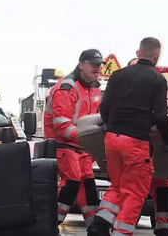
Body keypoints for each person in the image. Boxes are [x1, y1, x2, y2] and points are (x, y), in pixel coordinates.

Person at [87, 37, 168, 236]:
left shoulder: (117, 75)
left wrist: (113, 126)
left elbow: (104, 107)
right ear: (157, 56)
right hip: (135, 142)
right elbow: (162, 116)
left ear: (138, 53)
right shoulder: (157, 80)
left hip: (112, 139)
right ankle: (121, 232)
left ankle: (99, 226)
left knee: (118, 186)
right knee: (135, 194)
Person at [44, 49, 104, 228]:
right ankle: (49, 224)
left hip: (80, 146)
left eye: (99, 65)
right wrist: (89, 140)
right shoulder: (67, 88)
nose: (97, 69)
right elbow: (61, 125)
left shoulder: (93, 87)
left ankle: (94, 227)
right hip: (65, 145)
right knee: (72, 182)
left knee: (88, 184)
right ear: (81, 65)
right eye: (93, 65)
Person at [131, 57, 168, 236]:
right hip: (137, 149)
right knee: (132, 190)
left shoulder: (154, 87)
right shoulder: (132, 90)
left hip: (151, 152)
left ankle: (163, 228)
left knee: (162, 185)